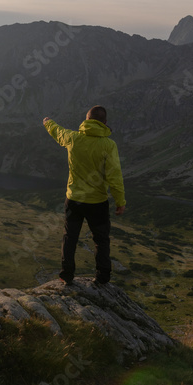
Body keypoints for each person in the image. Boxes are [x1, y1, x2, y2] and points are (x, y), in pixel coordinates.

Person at [43, 105, 126, 285]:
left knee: (70, 238)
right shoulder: (109, 145)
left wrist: (48, 123)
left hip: (74, 200)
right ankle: (102, 277)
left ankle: (66, 275)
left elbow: (58, 132)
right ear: (104, 123)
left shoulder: (73, 138)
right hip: (98, 203)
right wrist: (120, 201)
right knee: (101, 240)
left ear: (86, 120)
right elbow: (114, 176)